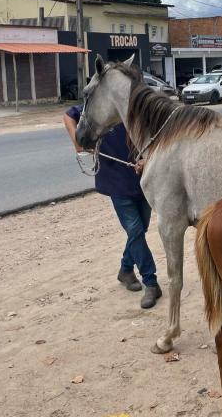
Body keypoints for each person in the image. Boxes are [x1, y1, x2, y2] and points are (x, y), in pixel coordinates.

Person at [63, 104, 162, 309]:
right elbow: (68, 116)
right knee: (135, 230)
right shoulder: (99, 105)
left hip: (144, 180)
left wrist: (147, 159)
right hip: (116, 178)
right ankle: (151, 282)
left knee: (139, 230)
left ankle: (125, 270)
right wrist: (78, 143)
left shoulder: (139, 106)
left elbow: (159, 138)